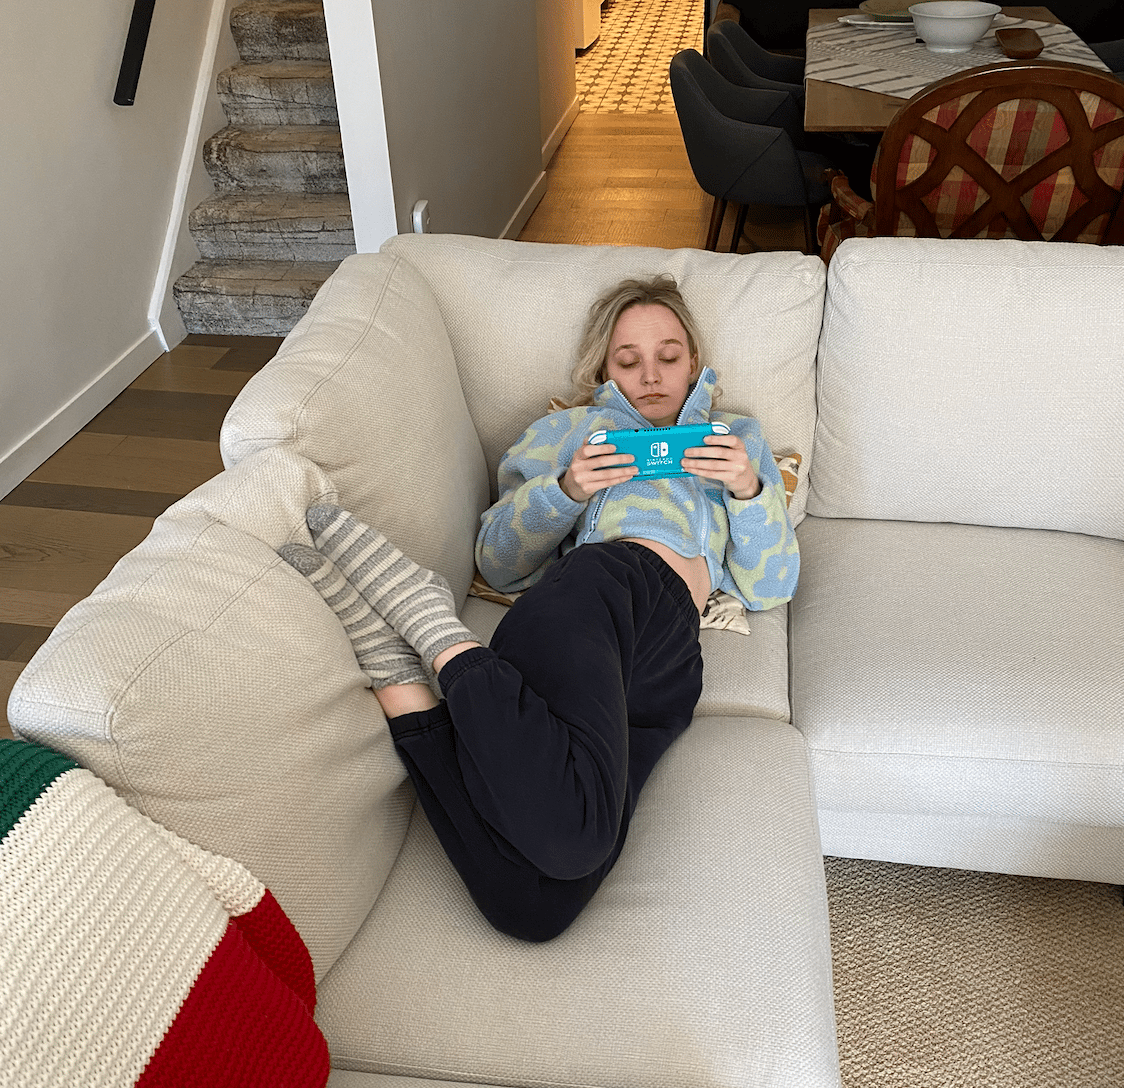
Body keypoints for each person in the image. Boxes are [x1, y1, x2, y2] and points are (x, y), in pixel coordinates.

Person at [279, 274, 798, 942]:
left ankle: (399, 679)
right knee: (572, 838)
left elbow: (770, 586)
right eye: (628, 360)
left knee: (536, 909)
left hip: (668, 656)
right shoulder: (569, 432)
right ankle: (434, 627)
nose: (651, 376)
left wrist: (748, 489)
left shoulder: (735, 438)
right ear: (604, 370)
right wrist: (568, 489)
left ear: (694, 360)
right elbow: (498, 561)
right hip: (596, 591)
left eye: (669, 356)